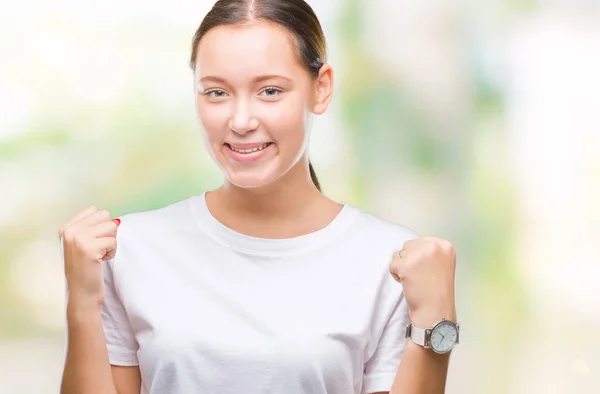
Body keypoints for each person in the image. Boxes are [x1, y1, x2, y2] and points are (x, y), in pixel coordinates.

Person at [59, 1, 459, 393]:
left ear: (321, 89)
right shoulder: (130, 249)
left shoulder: (388, 261)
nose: (241, 121)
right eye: (216, 93)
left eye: (269, 91)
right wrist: (81, 306)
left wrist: (435, 321)